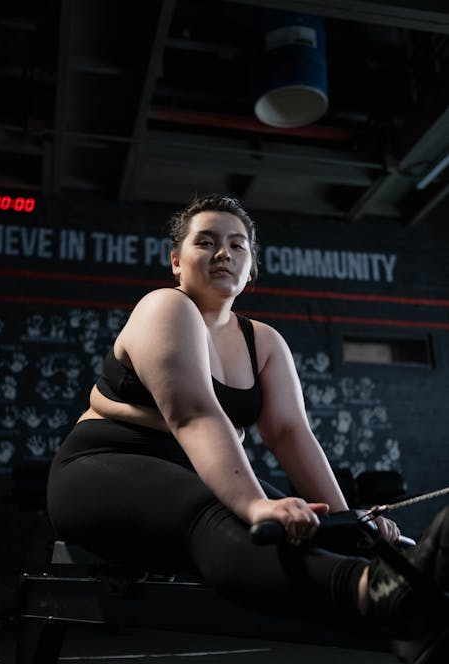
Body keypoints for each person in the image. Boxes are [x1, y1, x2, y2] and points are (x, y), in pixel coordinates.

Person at [47, 194, 449, 639]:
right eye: (206, 242)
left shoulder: (264, 342)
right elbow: (194, 414)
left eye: (238, 245)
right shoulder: (165, 307)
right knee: (223, 511)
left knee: (316, 525)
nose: (224, 253)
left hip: (194, 472)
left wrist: (346, 522)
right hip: (101, 469)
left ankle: (413, 590)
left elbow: (290, 434)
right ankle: (370, 592)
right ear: (177, 262)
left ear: (251, 266)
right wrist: (256, 505)